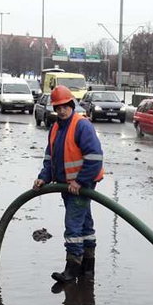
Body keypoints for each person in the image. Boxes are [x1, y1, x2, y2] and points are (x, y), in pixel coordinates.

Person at [33, 85, 104, 284]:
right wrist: (43, 178)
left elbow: (95, 157)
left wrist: (80, 181)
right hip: (68, 185)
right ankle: (87, 269)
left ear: (71, 105)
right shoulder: (56, 128)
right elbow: (51, 158)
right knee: (85, 224)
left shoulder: (82, 126)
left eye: (65, 106)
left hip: (81, 185)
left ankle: (72, 269)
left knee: (73, 226)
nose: (62, 110)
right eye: (58, 108)